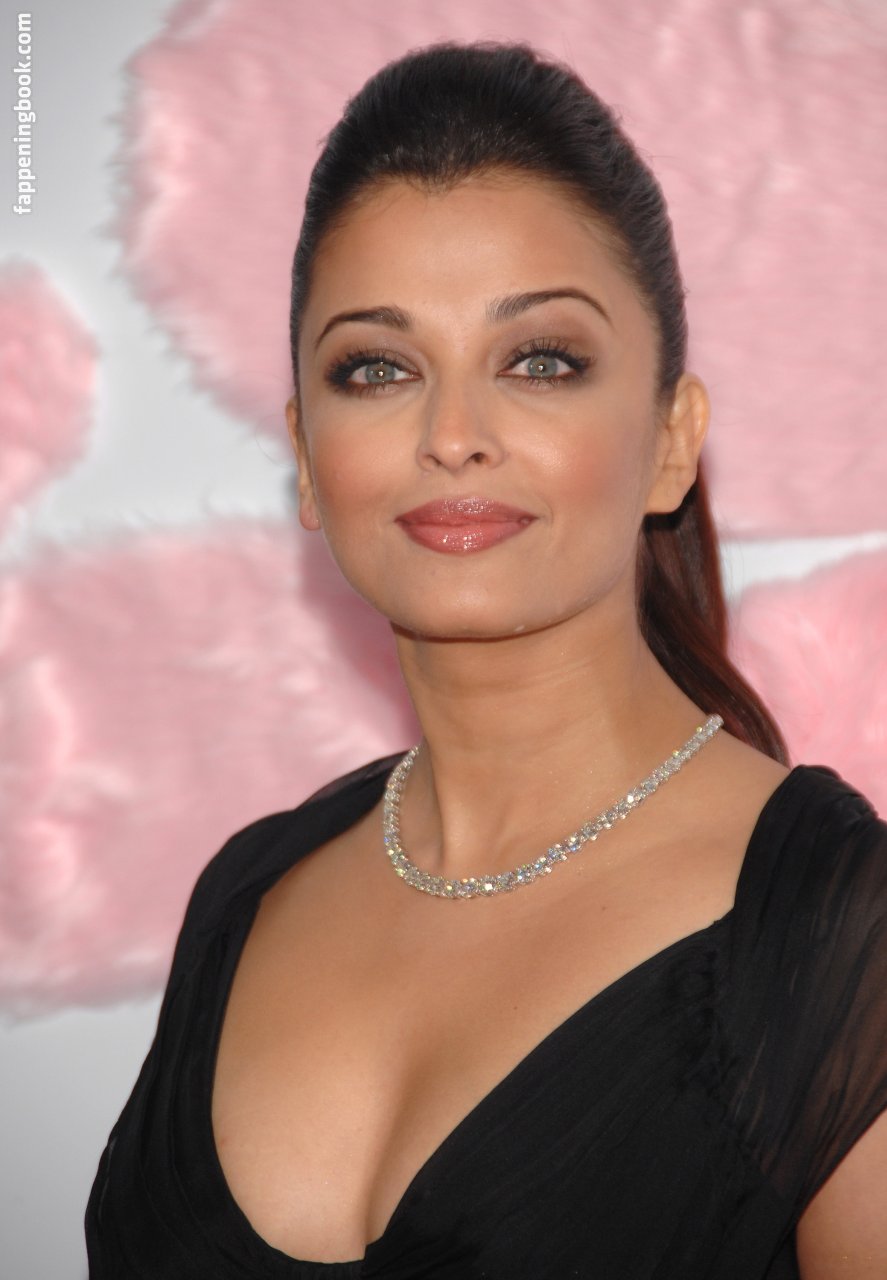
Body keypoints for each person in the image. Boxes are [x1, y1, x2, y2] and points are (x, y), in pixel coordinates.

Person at [85, 40, 887, 1278]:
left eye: (539, 360)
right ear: (306, 457)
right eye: (377, 367)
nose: (452, 434)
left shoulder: (838, 928)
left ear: (671, 441)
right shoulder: (247, 892)